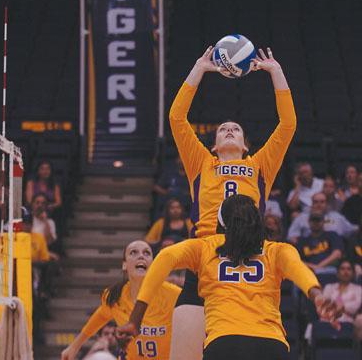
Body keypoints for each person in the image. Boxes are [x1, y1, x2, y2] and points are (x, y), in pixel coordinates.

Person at [168, 46, 296, 360]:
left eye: (235, 129)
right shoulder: (201, 163)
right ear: (213, 145)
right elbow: (176, 118)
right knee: (185, 347)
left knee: (245, 341)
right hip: (205, 253)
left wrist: (275, 72)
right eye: (223, 129)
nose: (228, 130)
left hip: (250, 255)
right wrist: (199, 68)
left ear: (244, 144)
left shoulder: (260, 165)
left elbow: (288, 125)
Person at [117, 195, 342, 360]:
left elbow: (164, 258)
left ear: (220, 223)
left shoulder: (204, 247)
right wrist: (317, 294)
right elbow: (299, 270)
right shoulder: (278, 250)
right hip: (271, 345)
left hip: (224, 342)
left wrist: (136, 317)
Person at [60, 240, 181, 360]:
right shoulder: (115, 296)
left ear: (153, 263)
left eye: (146, 253)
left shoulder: (173, 294)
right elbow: (101, 316)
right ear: (124, 264)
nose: (141, 256)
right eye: (134, 252)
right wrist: (74, 347)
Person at [287, 192, 358, 244]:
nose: (319, 204)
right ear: (311, 204)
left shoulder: (337, 217)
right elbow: (291, 236)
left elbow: (352, 229)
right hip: (309, 251)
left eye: (322, 202)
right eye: (316, 202)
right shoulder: (301, 218)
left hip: (333, 250)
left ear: (327, 204)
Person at [321, 260, 362, 325]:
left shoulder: (358, 289)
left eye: (349, 269)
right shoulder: (328, 287)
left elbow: (354, 308)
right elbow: (324, 305)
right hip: (327, 321)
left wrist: (338, 307)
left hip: (349, 322)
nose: (346, 272)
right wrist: (342, 308)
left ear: (353, 273)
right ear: (337, 273)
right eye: (342, 269)